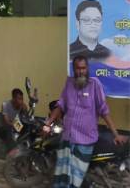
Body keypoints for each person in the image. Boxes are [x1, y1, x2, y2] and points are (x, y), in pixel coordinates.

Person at [44, 55, 127, 188]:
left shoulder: (95, 85)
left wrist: (116, 134)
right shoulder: (69, 83)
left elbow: (104, 112)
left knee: (75, 180)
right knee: (62, 177)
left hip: (85, 140)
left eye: (83, 68)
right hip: (67, 138)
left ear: (87, 68)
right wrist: (47, 124)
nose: (81, 71)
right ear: (73, 69)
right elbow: (61, 105)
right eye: (78, 68)